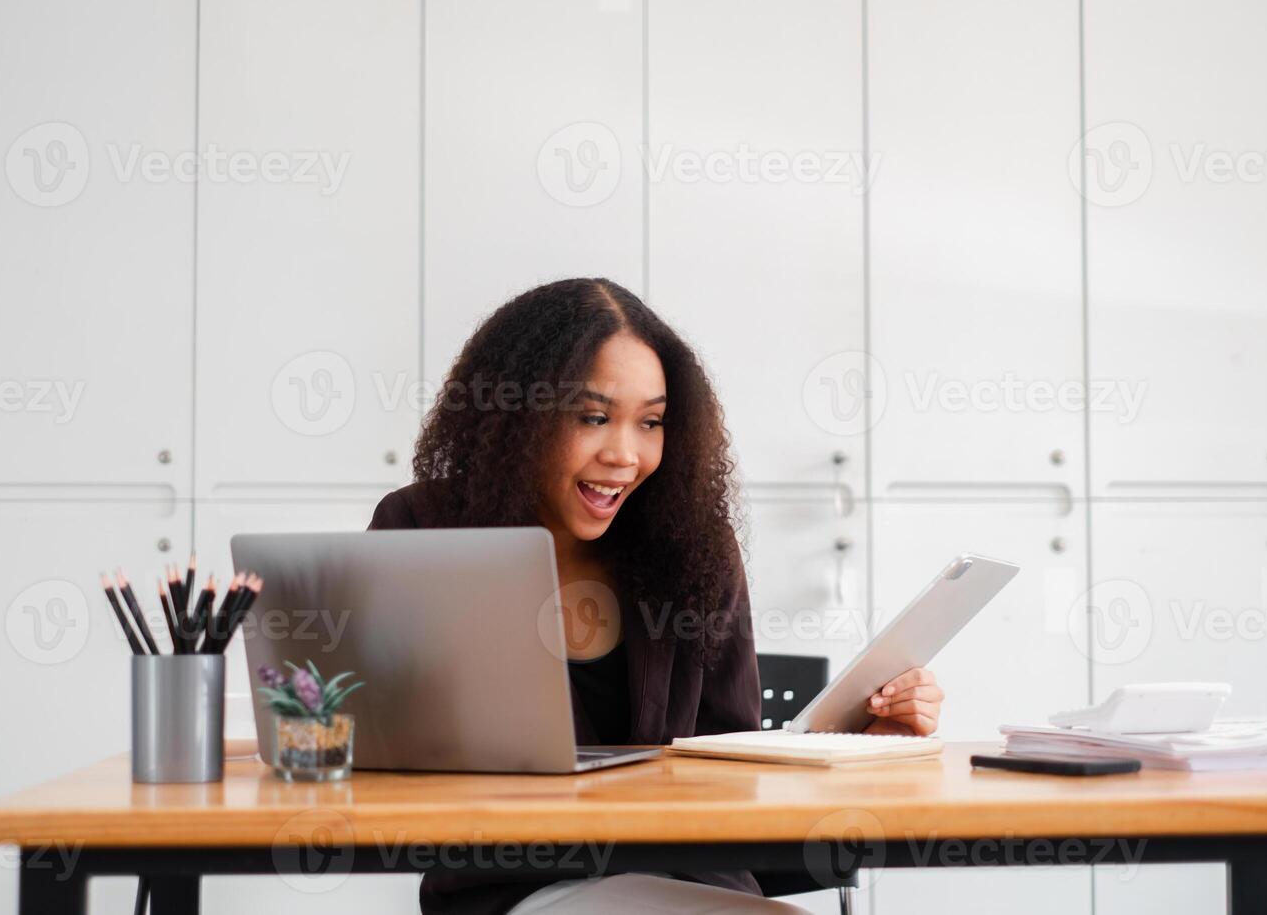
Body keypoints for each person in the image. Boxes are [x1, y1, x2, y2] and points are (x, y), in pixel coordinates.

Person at [369, 277, 944, 914]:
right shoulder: (425, 529)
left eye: (650, 422)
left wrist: (861, 744)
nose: (625, 454)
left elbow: (732, 770)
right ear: (517, 419)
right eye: (592, 417)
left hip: (689, 881)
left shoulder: (691, 544)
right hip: (517, 891)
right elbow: (375, 745)